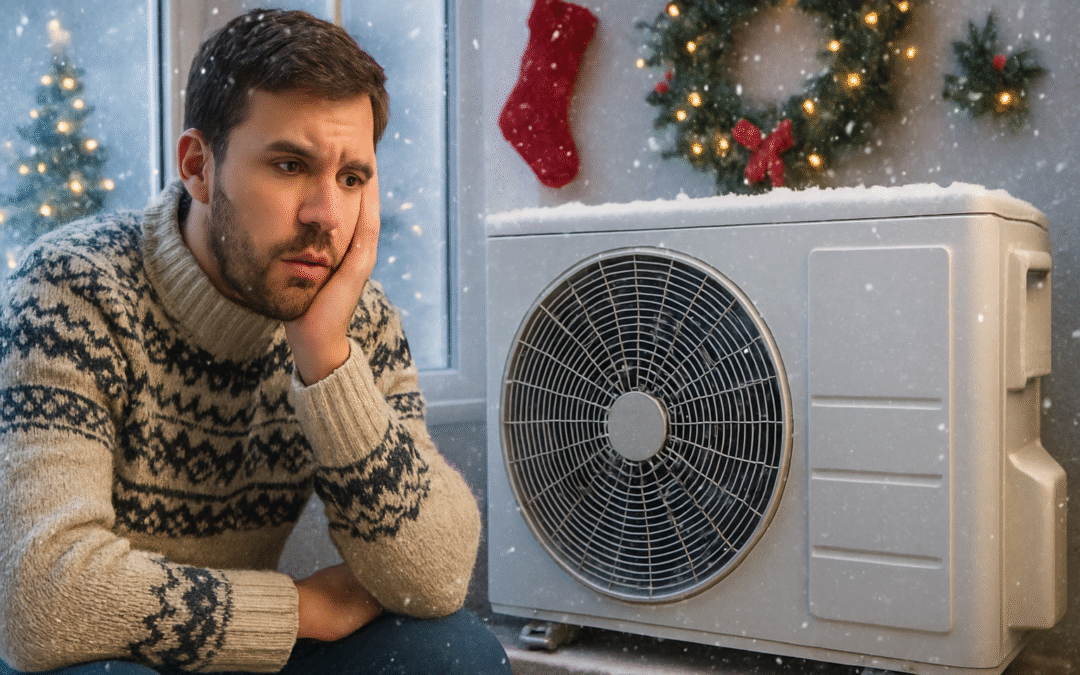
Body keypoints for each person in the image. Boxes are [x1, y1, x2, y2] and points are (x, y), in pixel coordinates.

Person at [0, 8, 510, 675]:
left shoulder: (356, 319)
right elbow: (40, 598)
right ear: (199, 166)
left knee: (455, 653)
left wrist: (326, 359)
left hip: (239, 652)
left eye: (352, 177)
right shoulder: (73, 288)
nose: (327, 215)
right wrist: (296, 608)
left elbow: (435, 578)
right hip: (102, 657)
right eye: (291, 165)